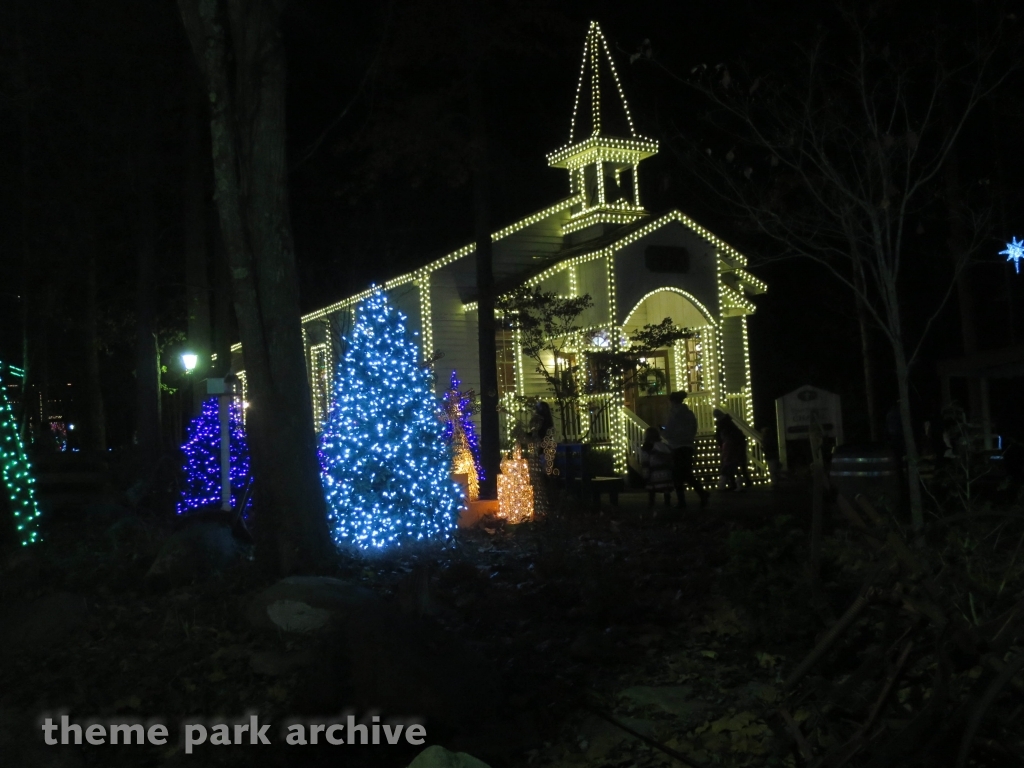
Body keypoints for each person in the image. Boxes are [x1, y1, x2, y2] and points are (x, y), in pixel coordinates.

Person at [662, 391, 710, 509]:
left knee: (678, 475)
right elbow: (694, 427)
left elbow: (669, 431)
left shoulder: (673, 414)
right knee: (686, 473)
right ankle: (700, 494)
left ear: (673, 401)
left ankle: (684, 500)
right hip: (688, 446)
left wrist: (663, 433)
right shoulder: (689, 414)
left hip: (676, 447)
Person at [714, 409, 751, 491]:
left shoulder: (724, 426)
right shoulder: (730, 425)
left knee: (729, 465)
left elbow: (720, 437)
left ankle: (728, 484)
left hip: (730, 447)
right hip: (733, 446)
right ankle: (737, 484)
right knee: (734, 466)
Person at [640, 426, 674, 510]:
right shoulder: (663, 446)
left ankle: (651, 503)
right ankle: (667, 502)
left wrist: (645, 474)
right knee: (665, 489)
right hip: (666, 473)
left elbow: (645, 462)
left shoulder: (647, 447)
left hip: (654, 473)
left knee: (651, 489)